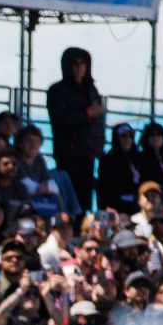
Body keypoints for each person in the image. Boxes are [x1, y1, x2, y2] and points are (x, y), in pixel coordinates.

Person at [44, 47, 104, 214]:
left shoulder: (91, 90)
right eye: (75, 63)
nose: (79, 67)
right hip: (68, 153)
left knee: (85, 200)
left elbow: (98, 122)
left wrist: (98, 147)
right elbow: (60, 119)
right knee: (68, 198)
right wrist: (86, 114)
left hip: (88, 153)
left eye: (82, 63)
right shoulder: (57, 90)